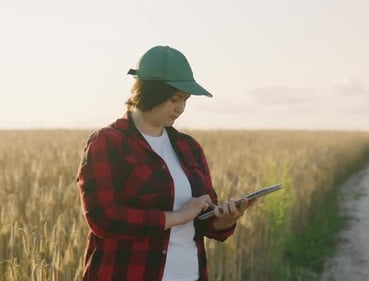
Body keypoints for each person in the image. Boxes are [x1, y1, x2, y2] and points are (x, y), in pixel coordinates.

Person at [76, 45, 254, 281]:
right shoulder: (108, 143)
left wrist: (226, 218)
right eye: (174, 99)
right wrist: (178, 216)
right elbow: (104, 218)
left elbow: (204, 220)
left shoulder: (189, 148)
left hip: (188, 274)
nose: (180, 108)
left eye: (185, 100)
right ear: (150, 93)